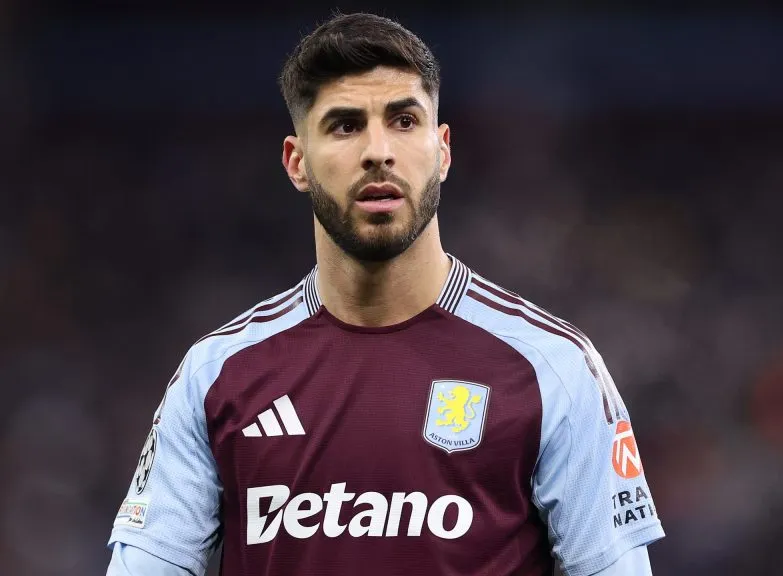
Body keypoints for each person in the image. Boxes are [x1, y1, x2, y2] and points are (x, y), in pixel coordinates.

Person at [105, 12, 664, 576]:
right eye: (345, 126)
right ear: (297, 162)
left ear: (442, 150)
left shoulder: (554, 368)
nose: (378, 150)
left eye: (402, 120)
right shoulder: (215, 375)